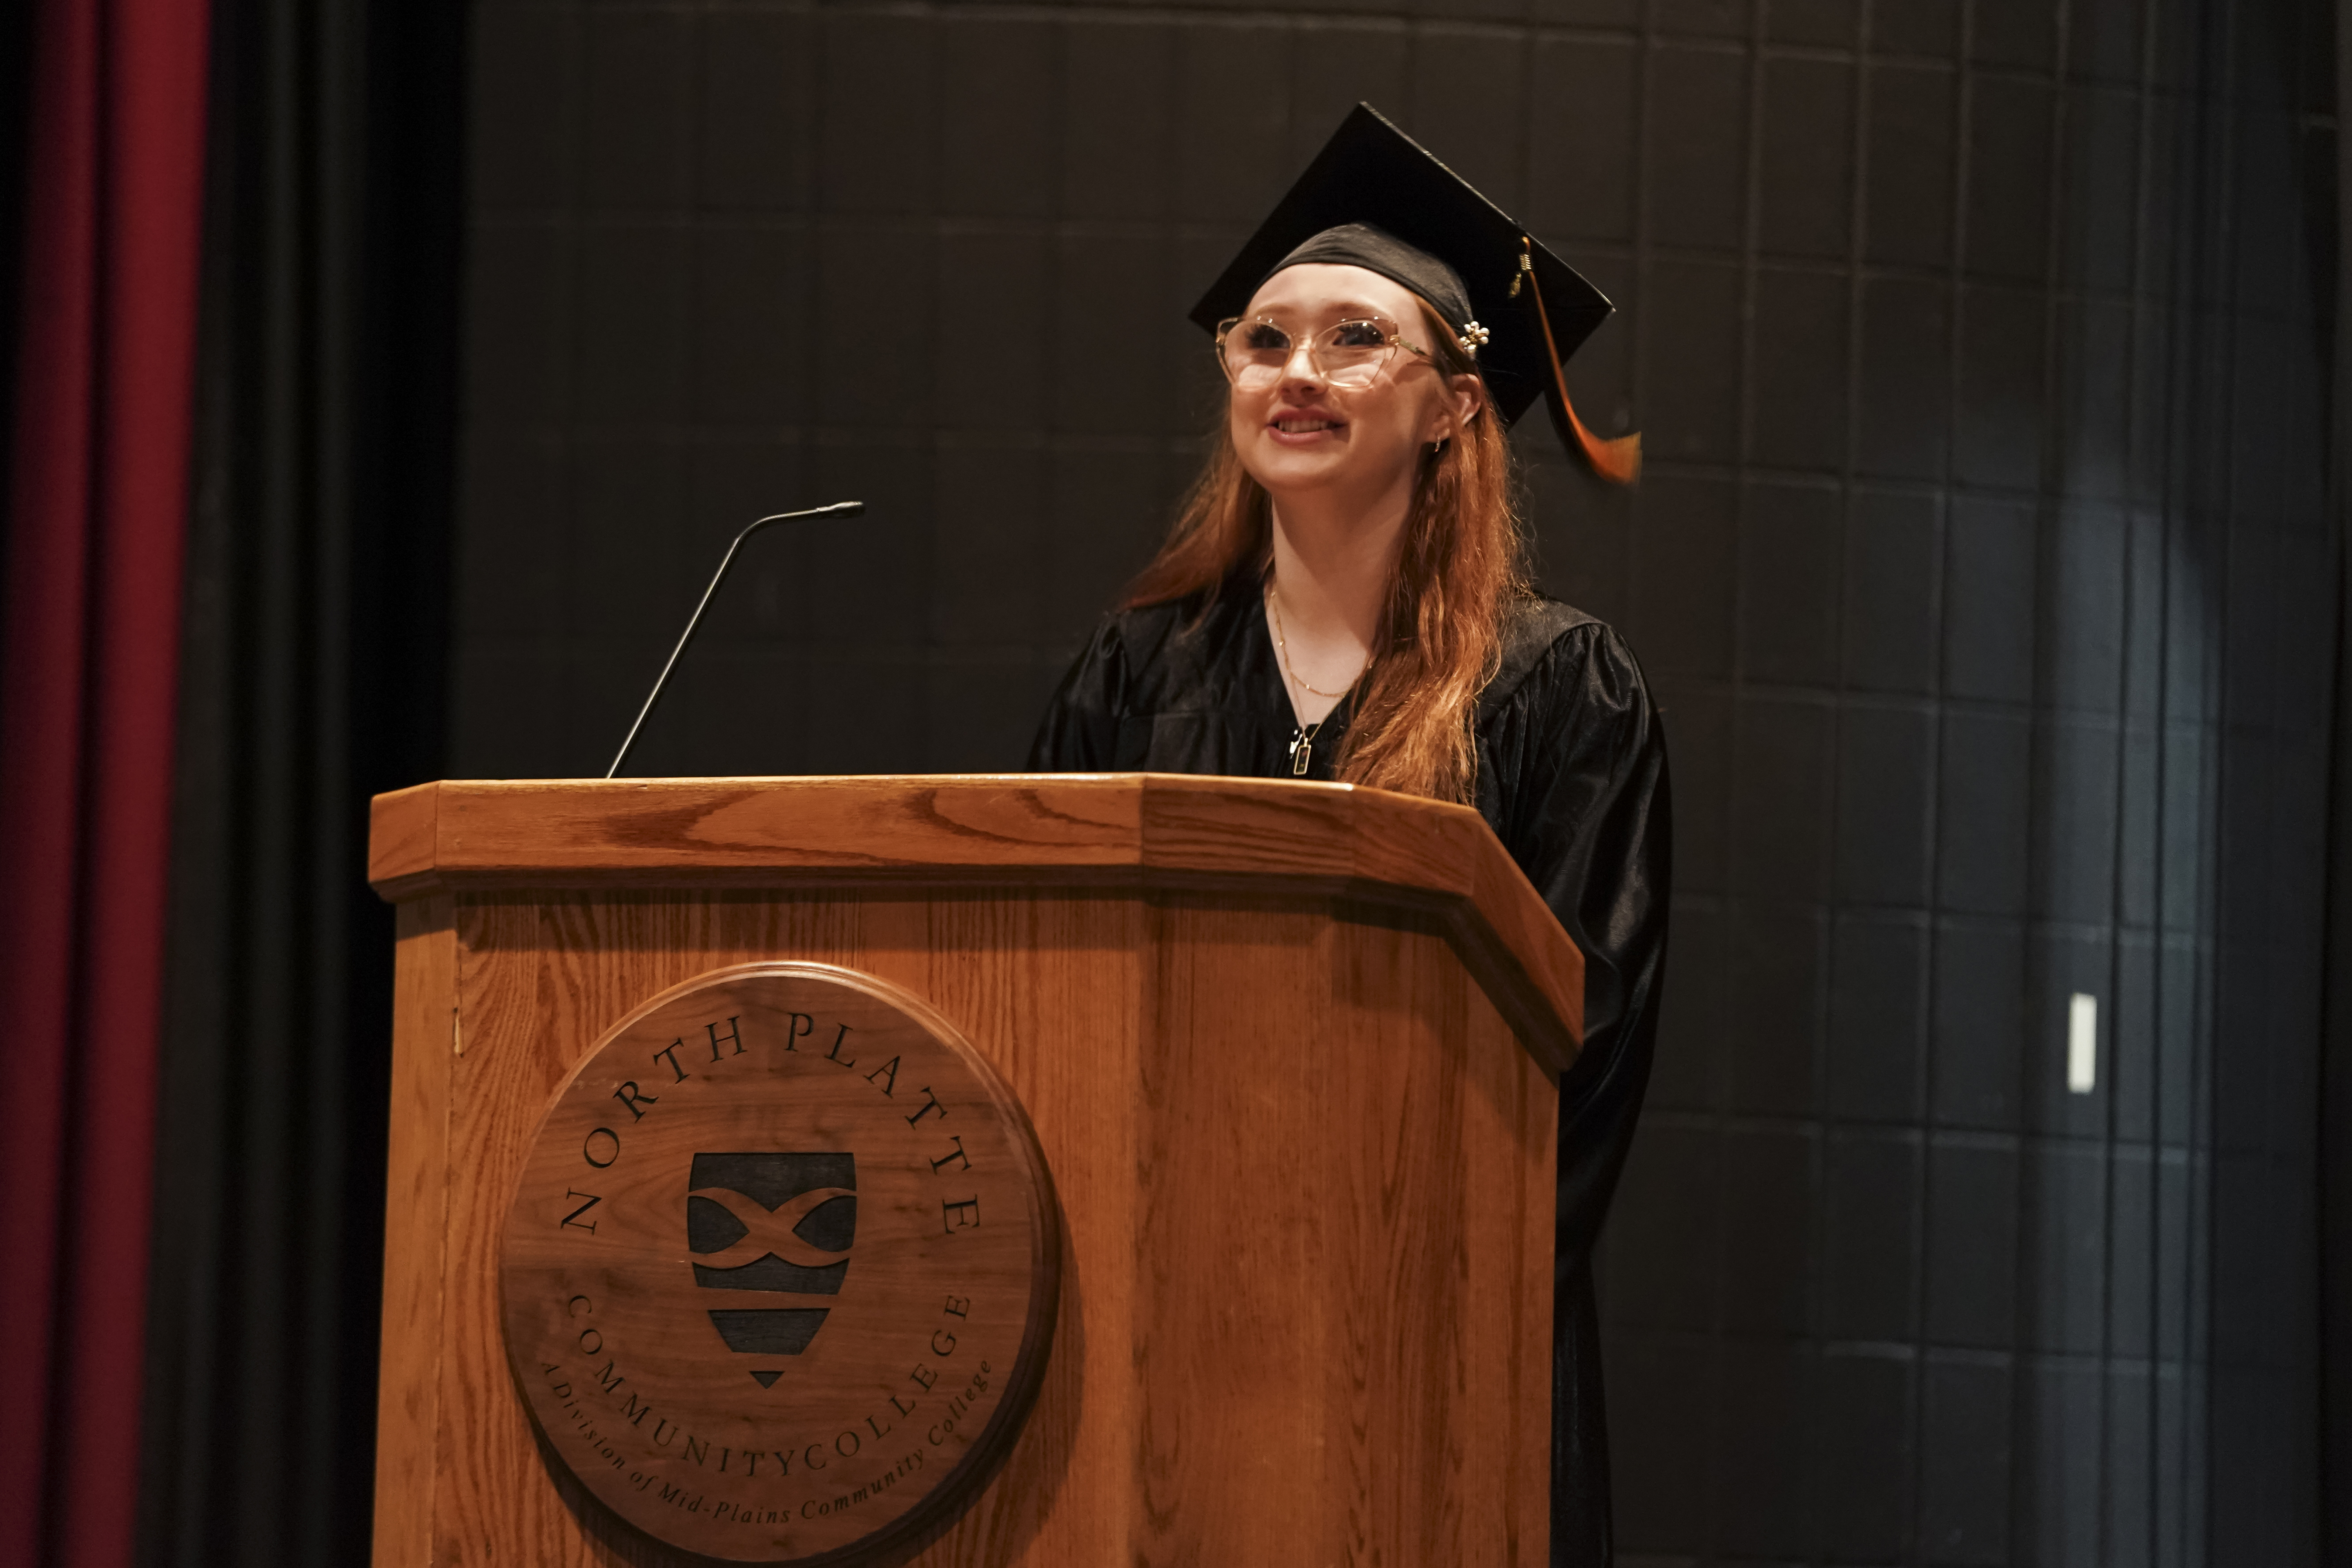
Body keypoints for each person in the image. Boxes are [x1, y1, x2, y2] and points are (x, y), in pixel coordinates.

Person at [1027, 105, 1671, 1567]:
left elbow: (1582, 1055)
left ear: (1454, 403)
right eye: (1265, 340)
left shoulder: (1559, 691)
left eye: (1353, 339)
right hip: (1144, 1316)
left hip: (1434, 1335)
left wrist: (1391, 1275)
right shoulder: (1133, 674)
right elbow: (1037, 981)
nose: (1298, 374)